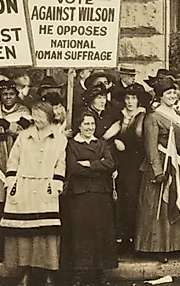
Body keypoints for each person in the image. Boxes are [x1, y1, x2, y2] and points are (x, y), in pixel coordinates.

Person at [1, 101, 67, 286]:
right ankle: (25, 271)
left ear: (49, 117)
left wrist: (56, 184)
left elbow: (60, 163)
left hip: (46, 187)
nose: (36, 119)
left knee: (46, 233)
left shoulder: (60, 138)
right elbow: (13, 161)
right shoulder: (23, 136)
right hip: (24, 186)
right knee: (24, 232)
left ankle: (48, 273)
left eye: (40, 116)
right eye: (34, 115)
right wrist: (12, 182)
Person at [134, 77, 180, 262]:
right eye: (168, 93)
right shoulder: (153, 117)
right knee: (158, 207)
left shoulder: (179, 116)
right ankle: (156, 247)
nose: (172, 96)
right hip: (159, 167)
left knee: (174, 202)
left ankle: (174, 245)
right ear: (161, 96)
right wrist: (158, 171)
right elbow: (150, 146)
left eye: (174, 92)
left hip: (176, 165)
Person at [64, 113, 118, 286]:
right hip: (80, 195)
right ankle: (79, 273)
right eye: (86, 124)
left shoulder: (100, 143)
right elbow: (73, 168)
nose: (89, 127)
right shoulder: (72, 144)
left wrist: (88, 163)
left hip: (100, 195)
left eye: (92, 124)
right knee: (81, 234)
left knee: (100, 233)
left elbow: (110, 164)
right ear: (79, 126)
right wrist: (98, 165)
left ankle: (99, 272)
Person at [0, 80, 31, 262]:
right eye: (5, 94)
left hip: (19, 163)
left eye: (11, 94)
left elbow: (27, 134)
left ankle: (17, 251)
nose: (8, 98)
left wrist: (10, 128)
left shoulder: (24, 112)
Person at [113, 83, 150, 254]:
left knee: (134, 199)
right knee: (122, 199)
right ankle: (123, 238)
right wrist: (115, 142)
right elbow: (108, 135)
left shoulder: (143, 116)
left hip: (137, 162)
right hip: (121, 162)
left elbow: (143, 140)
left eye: (133, 98)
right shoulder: (119, 116)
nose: (130, 101)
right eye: (127, 98)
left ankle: (135, 239)